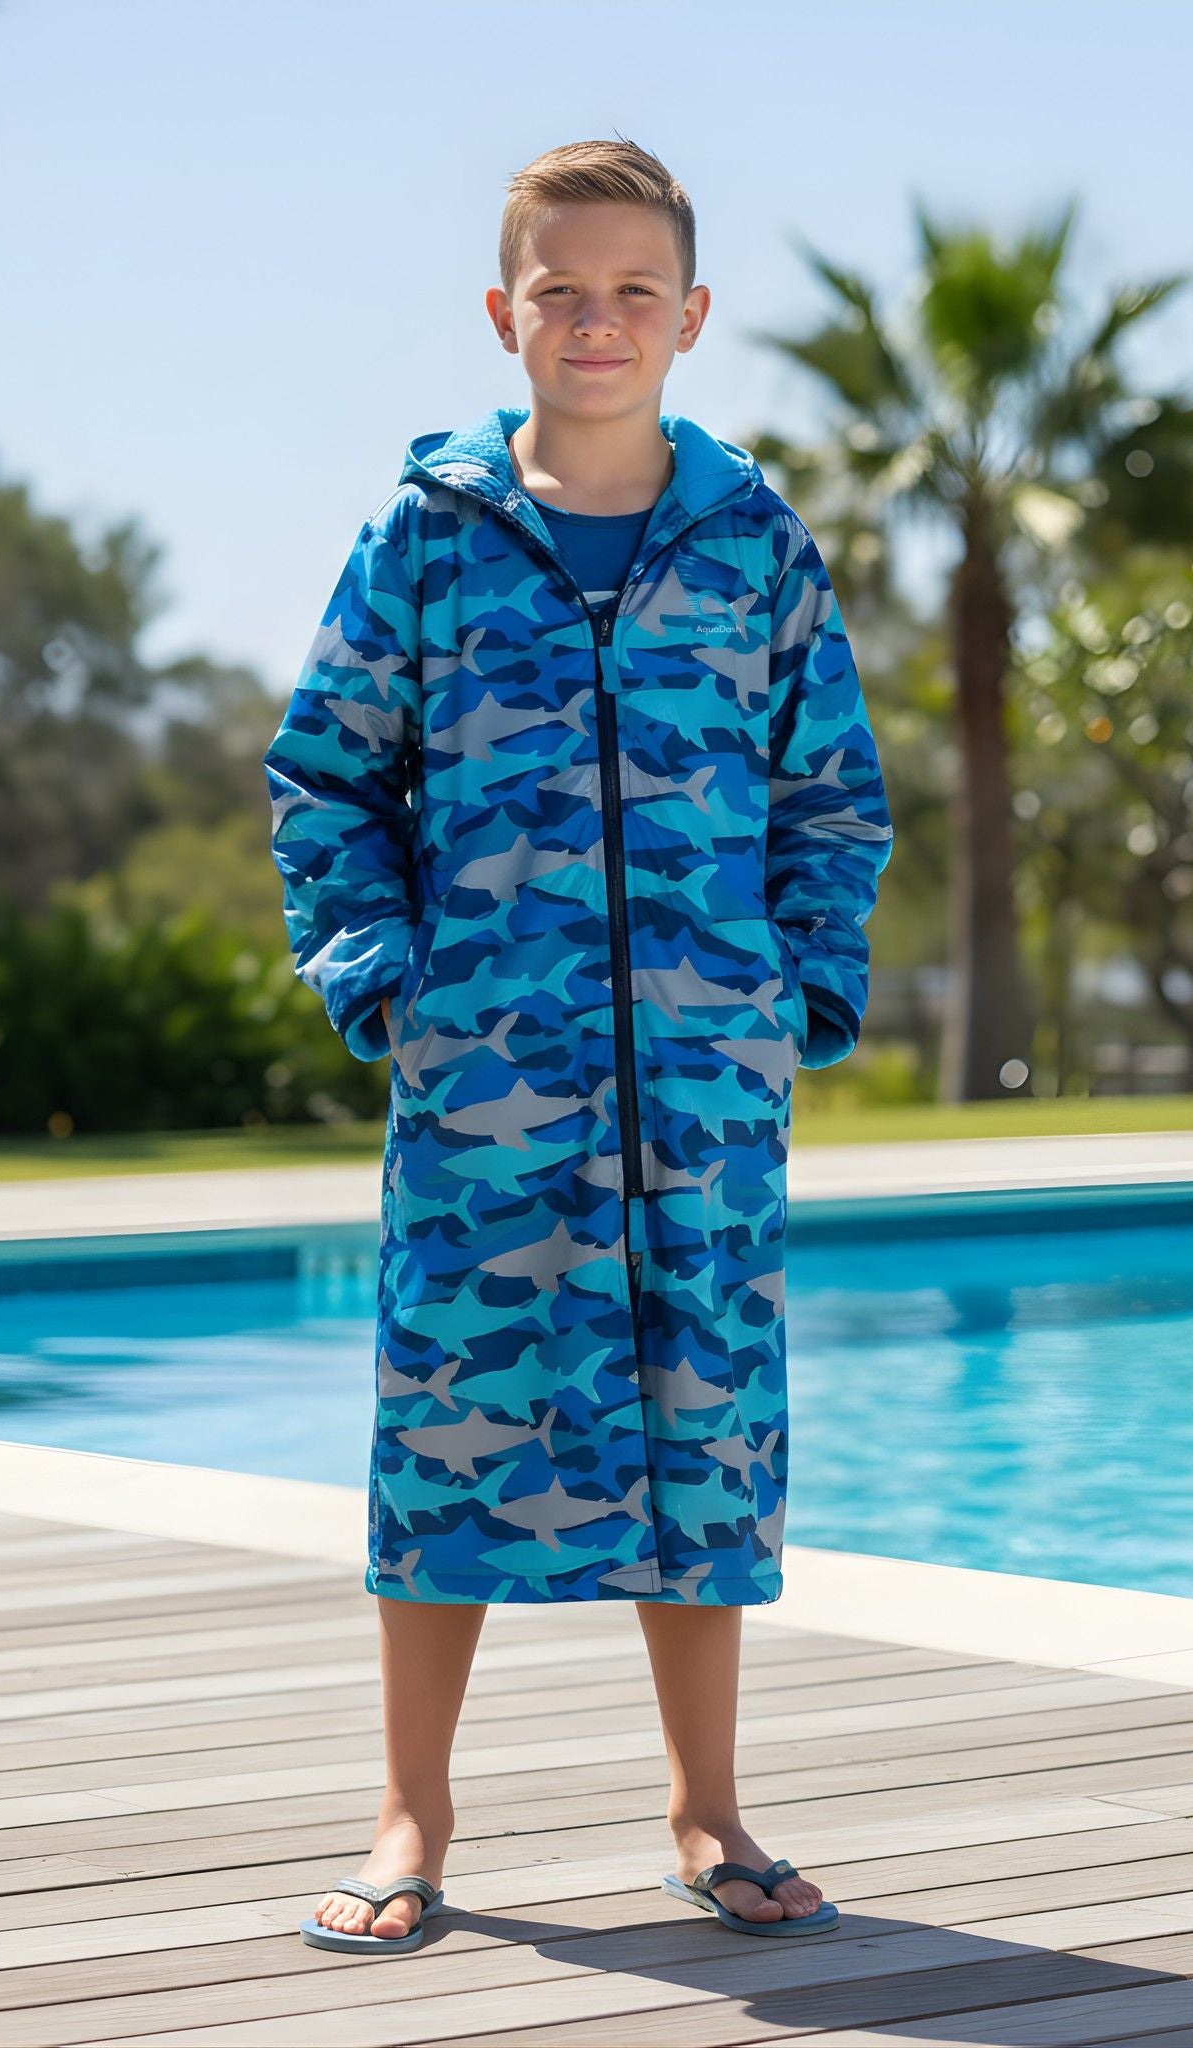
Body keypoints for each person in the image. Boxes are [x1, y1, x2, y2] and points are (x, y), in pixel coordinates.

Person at [264, 137, 893, 1955]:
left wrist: (800, 996)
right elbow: (325, 774)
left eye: (635, 293)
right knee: (441, 1426)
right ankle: (411, 1813)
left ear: (691, 319)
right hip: (483, 1088)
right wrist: (390, 983)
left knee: (710, 1438)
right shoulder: (427, 539)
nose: (598, 322)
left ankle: (708, 1812)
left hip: (705, 1094)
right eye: (564, 291)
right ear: (503, 313)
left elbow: (829, 794)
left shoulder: (755, 539)